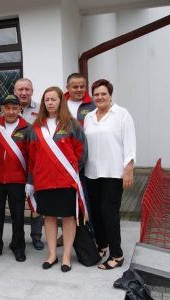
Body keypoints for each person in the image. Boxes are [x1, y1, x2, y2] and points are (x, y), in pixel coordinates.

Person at [26, 86, 87, 272]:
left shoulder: (72, 124)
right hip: (43, 182)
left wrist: (71, 171)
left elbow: (82, 154)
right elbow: (31, 157)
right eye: (47, 100)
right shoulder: (35, 128)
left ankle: (66, 255)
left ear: (61, 101)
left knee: (68, 218)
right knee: (49, 218)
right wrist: (30, 180)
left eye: (54, 99)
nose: (50, 103)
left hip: (66, 181)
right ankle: (52, 254)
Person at [84, 79, 136, 270]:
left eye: (103, 94)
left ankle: (117, 254)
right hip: (92, 173)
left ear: (110, 95)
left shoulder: (122, 114)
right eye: (96, 94)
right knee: (96, 212)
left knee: (109, 212)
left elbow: (130, 144)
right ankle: (102, 244)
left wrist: (128, 170)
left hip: (113, 173)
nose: (99, 97)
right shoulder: (89, 117)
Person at [0, 95, 29, 263]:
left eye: (14, 108)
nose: (11, 111)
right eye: (7, 108)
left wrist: (30, 180)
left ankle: (18, 247)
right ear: (2, 109)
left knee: (18, 215)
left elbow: (32, 156)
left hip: (17, 180)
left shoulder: (27, 129)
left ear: (20, 109)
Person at [55, 73, 97, 247]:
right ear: (68, 88)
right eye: (75, 87)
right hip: (61, 165)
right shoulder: (58, 104)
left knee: (86, 200)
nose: (79, 90)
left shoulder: (94, 105)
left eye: (82, 86)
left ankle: (91, 235)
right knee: (65, 200)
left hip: (84, 163)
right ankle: (65, 235)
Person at [14, 78, 44, 251]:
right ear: (14, 91)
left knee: (36, 202)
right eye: (20, 89)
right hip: (15, 165)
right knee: (17, 203)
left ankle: (37, 235)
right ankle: (17, 237)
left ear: (32, 91)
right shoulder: (7, 108)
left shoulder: (41, 110)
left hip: (36, 164)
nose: (23, 93)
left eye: (27, 89)